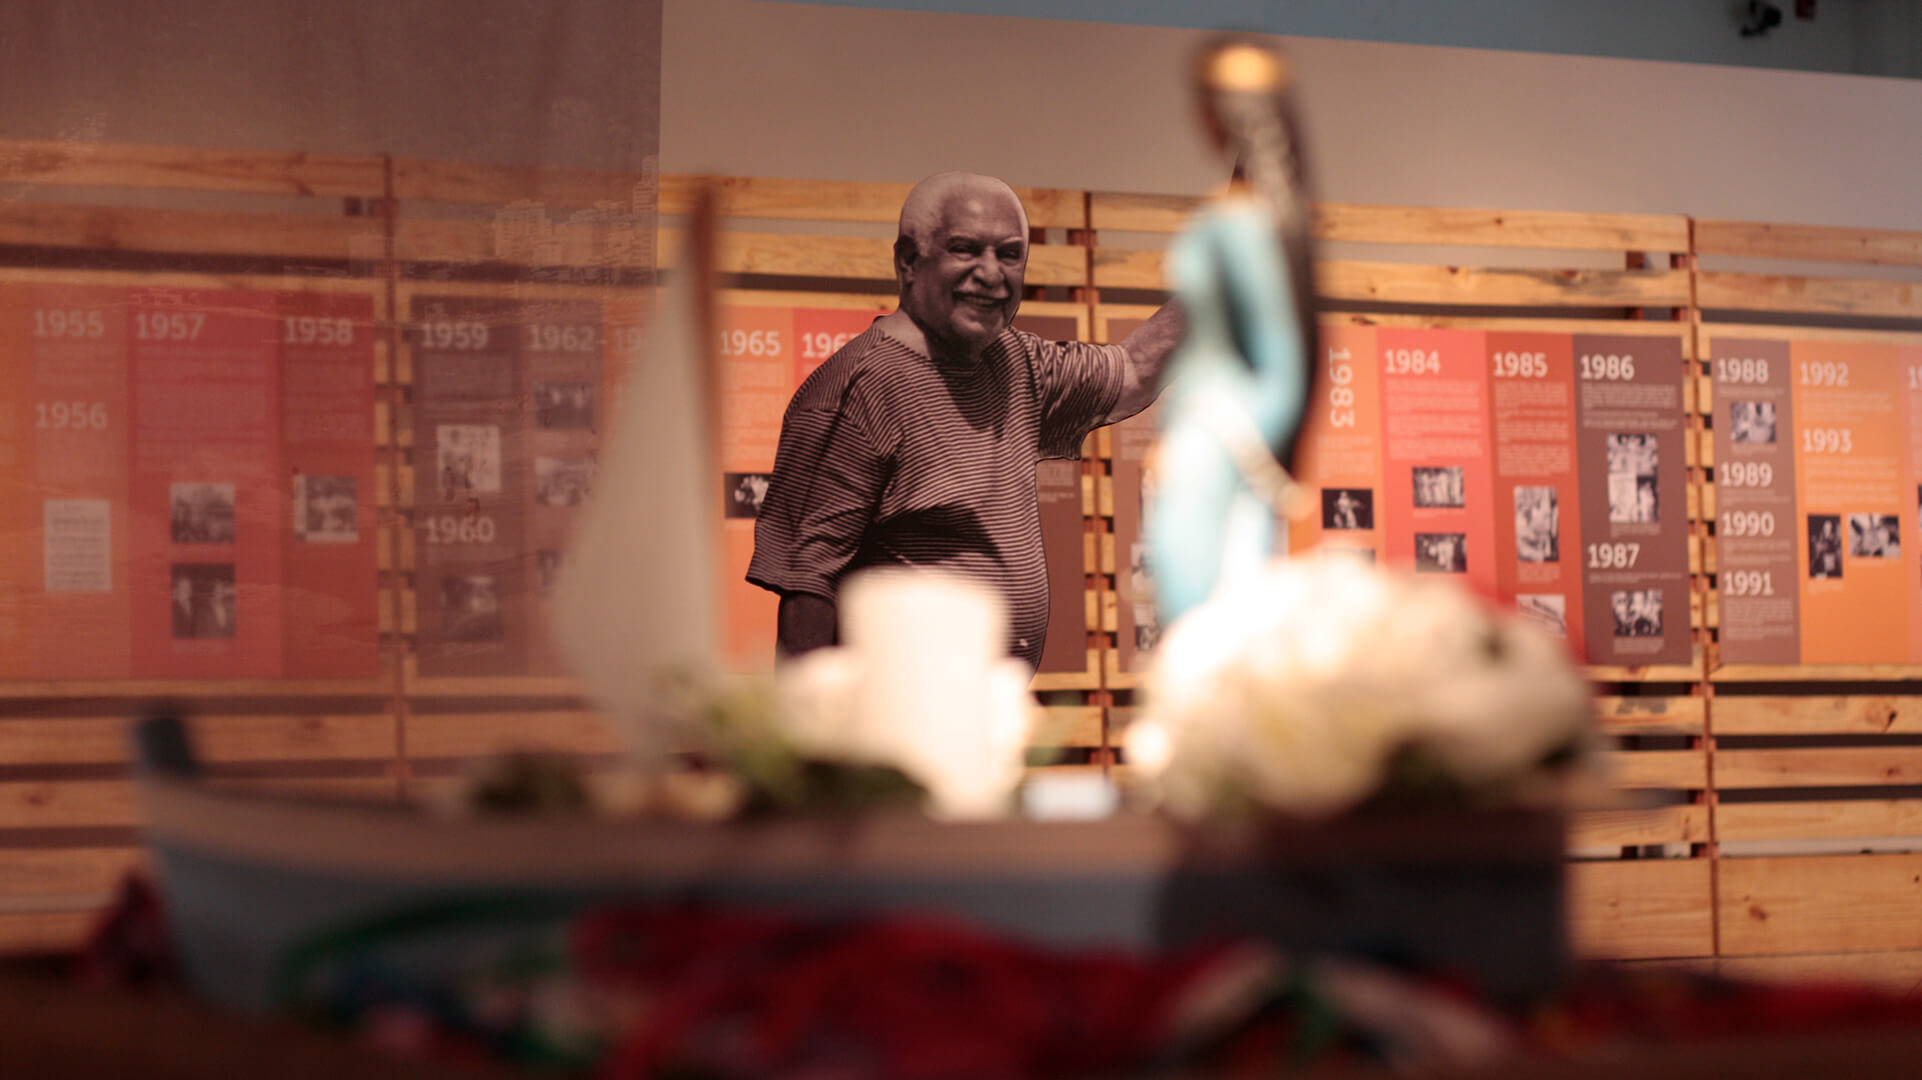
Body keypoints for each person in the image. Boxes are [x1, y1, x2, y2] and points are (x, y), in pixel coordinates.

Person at [747, 172, 1183, 669]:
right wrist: (811, 736)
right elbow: (809, 589)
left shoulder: (1020, 364)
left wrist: (1236, 260)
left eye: (1010, 254)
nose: (991, 273)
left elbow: (1134, 369)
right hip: (895, 723)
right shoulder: (857, 391)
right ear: (908, 261)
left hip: (982, 719)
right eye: (965, 249)